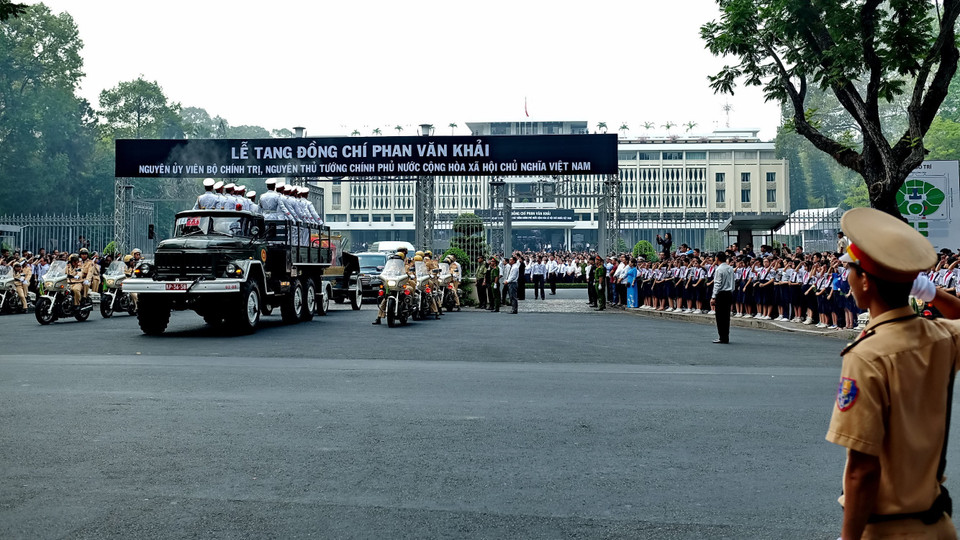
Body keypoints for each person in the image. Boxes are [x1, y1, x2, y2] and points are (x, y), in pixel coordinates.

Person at [826, 207, 960, 539]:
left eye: (850, 270)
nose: (847, 278)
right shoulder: (941, 336)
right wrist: (930, 291)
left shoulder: (868, 354)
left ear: (866, 280)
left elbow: (862, 470)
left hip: (887, 531)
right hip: (938, 527)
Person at [710, 252, 734, 344]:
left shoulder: (719, 269)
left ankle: (722, 336)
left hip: (721, 294)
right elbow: (733, 281)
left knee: (720, 316)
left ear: (717, 259)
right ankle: (726, 336)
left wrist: (713, 296)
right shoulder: (730, 268)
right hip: (729, 292)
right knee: (726, 316)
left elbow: (717, 284)